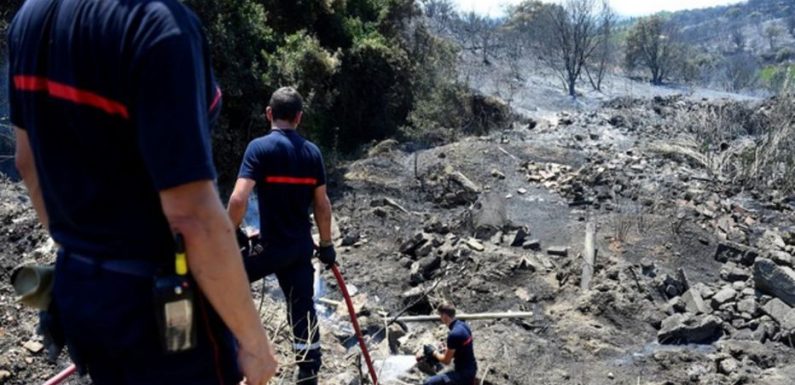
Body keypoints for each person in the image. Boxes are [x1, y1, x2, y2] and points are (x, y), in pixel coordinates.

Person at [9, 1, 277, 384]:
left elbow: (26, 162)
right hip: (161, 310)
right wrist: (253, 342)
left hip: (79, 289)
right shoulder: (160, 26)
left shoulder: (30, 18)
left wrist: (86, 252)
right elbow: (191, 215)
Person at [227, 87, 336, 385]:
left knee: (224, 285)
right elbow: (322, 205)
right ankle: (308, 370)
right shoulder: (312, 153)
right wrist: (326, 245)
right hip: (300, 247)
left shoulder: (259, 148)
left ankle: (227, 358)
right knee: (302, 307)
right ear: (299, 117)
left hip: (269, 246)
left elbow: (238, 200)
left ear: (269, 114)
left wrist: (231, 232)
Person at [417, 303, 478, 385]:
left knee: (428, 382)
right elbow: (461, 348)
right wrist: (445, 349)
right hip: (471, 369)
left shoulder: (453, 334)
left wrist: (433, 352)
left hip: (463, 375)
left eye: (440, 315)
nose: (440, 318)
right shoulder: (463, 326)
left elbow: (446, 361)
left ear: (445, 316)